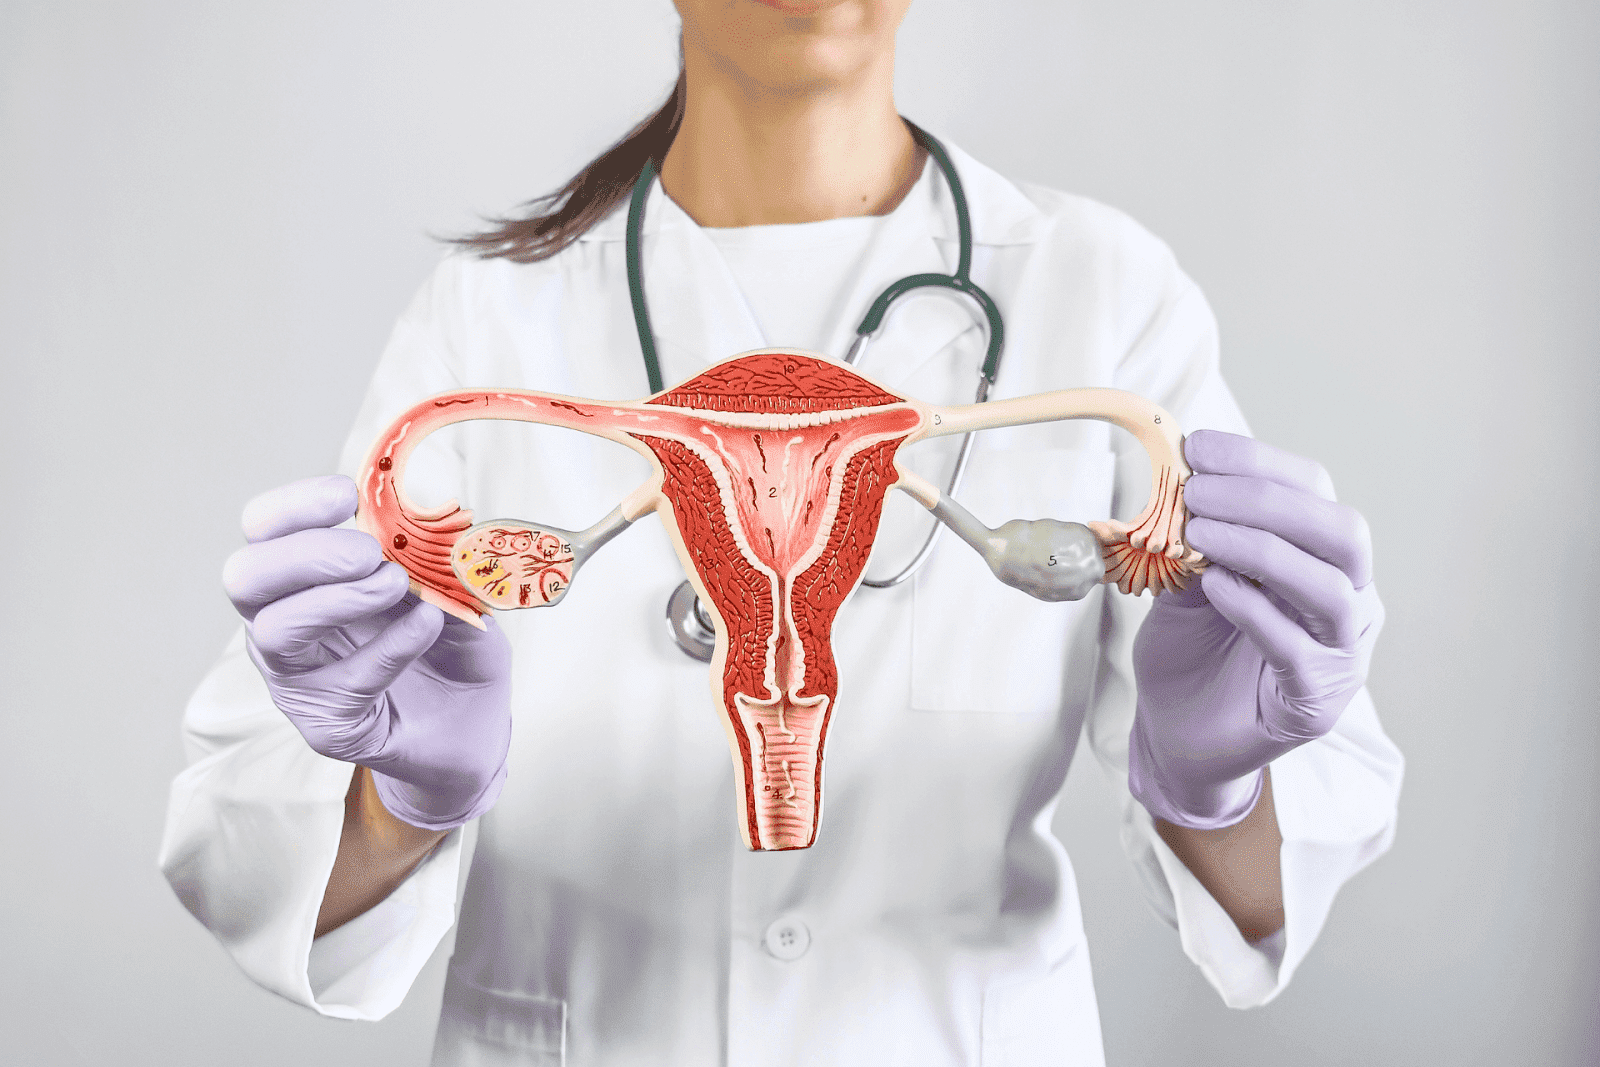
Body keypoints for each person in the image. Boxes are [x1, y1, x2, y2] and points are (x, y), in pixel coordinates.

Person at [160, 2, 1402, 1063]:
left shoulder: (1105, 292)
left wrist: (1214, 782)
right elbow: (256, 850)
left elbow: (1277, 869)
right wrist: (397, 801)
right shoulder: (487, 321)